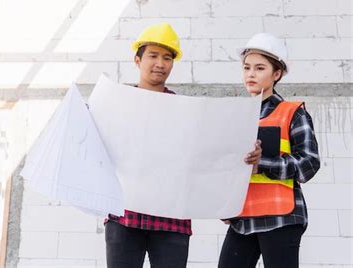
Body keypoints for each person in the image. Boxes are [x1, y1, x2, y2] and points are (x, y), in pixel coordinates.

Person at [104, 23, 262, 268]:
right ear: (137, 60)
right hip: (124, 217)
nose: (160, 63)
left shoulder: (187, 114)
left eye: (167, 57)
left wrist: (246, 158)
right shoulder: (116, 105)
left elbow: (209, 158)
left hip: (171, 221)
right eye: (153, 56)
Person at [218, 33, 321, 268]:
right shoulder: (235, 118)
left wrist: (262, 162)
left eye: (259, 68)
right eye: (246, 68)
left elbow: (309, 163)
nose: (251, 74)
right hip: (243, 219)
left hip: (281, 217)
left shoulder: (292, 112)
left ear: (277, 74)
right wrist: (224, 203)